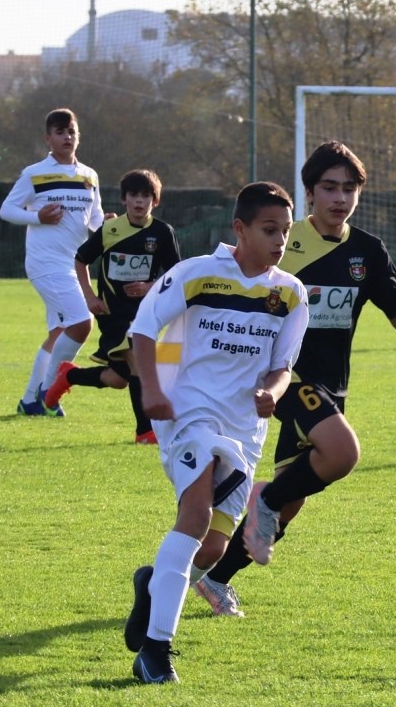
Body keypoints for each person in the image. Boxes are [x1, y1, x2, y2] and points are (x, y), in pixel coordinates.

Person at [193, 140, 396, 618]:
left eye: (349, 189)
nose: (339, 198)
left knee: (292, 502)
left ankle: (216, 579)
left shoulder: (368, 250)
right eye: (329, 188)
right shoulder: (284, 241)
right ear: (309, 193)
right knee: (342, 453)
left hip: (331, 387)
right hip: (282, 378)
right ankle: (264, 497)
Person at [123, 182, 309, 684]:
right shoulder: (197, 274)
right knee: (196, 511)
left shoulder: (289, 294)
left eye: (286, 233)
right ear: (240, 228)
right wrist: (151, 393)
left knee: (211, 550)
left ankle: (152, 585)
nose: (278, 241)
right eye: (269, 230)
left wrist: (272, 390)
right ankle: (155, 652)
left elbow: (283, 365)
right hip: (188, 416)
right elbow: (143, 329)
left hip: (244, 430)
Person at [43, 169, 181, 443]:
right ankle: (144, 431)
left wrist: (148, 287)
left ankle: (69, 376)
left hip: (145, 313)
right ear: (124, 199)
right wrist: (90, 297)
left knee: (118, 379)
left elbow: (175, 275)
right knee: (136, 360)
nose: (139, 201)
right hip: (113, 313)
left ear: (156, 201)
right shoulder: (110, 230)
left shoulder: (163, 232)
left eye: (145, 196)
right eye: (134, 196)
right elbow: (80, 259)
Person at [0, 108, 106, 416]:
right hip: (45, 264)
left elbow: (95, 219)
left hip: (73, 265)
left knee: (58, 334)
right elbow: (7, 210)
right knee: (81, 323)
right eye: (60, 132)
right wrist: (37, 217)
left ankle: (30, 401)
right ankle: (49, 391)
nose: (67, 137)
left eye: (71, 131)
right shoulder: (34, 173)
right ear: (48, 138)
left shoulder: (89, 175)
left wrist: (107, 226)